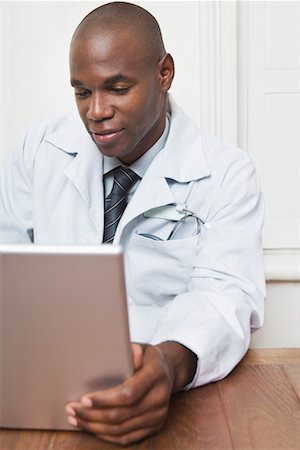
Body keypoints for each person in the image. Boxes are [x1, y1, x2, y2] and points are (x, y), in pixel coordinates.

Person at [0, 1, 265, 445]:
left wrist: (166, 365)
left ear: (164, 73)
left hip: (165, 402)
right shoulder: (40, 149)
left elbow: (226, 296)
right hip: (43, 395)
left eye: (117, 88)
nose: (95, 111)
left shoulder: (226, 174)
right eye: (82, 92)